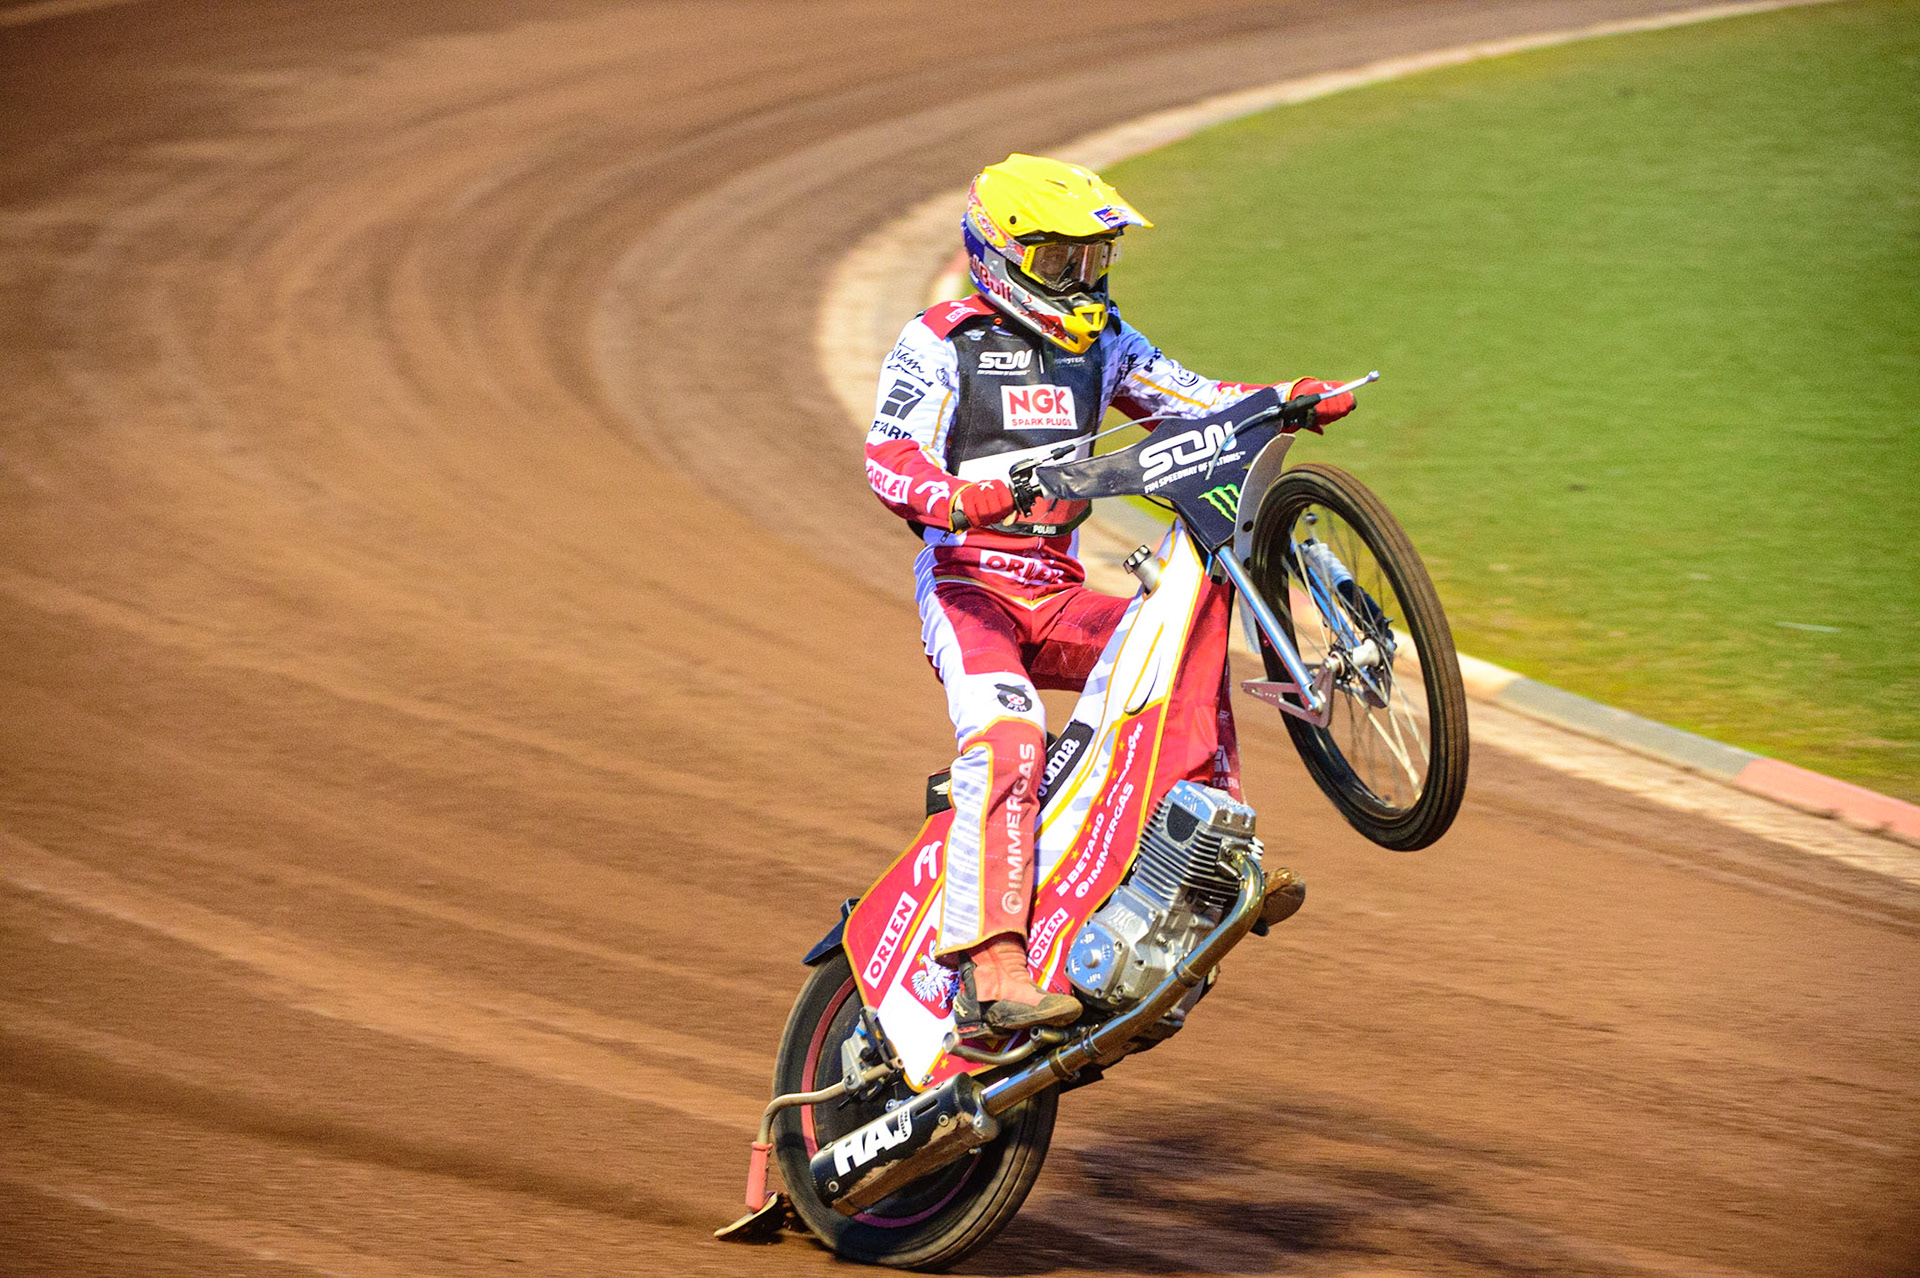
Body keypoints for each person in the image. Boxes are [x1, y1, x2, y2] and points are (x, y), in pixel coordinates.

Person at [863, 154, 1353, 1035]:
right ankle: (989, 968)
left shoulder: (1103, 339)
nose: (1081, 281)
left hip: (1056, 591)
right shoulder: (939, 340)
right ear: (999, 254)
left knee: (1181, 660)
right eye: (1060, 261)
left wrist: (1283, 399)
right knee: (1011, 734)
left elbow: (1193, 400)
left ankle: (1205, 864)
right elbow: (887, 459)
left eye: (1094, 261)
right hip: (968, 588)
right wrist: (958, 496)